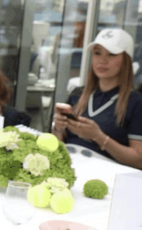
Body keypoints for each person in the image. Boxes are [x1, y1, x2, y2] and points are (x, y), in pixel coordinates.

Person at [53, 28, 142, 169]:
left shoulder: (136, 103)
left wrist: (99, 137)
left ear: (126, 60)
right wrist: (58, 129)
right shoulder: (78, 94)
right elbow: (58, 146)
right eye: (97, 53)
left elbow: (139, 160)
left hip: (105, 176)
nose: (102, 60)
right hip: (67, 167)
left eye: (111, 54)